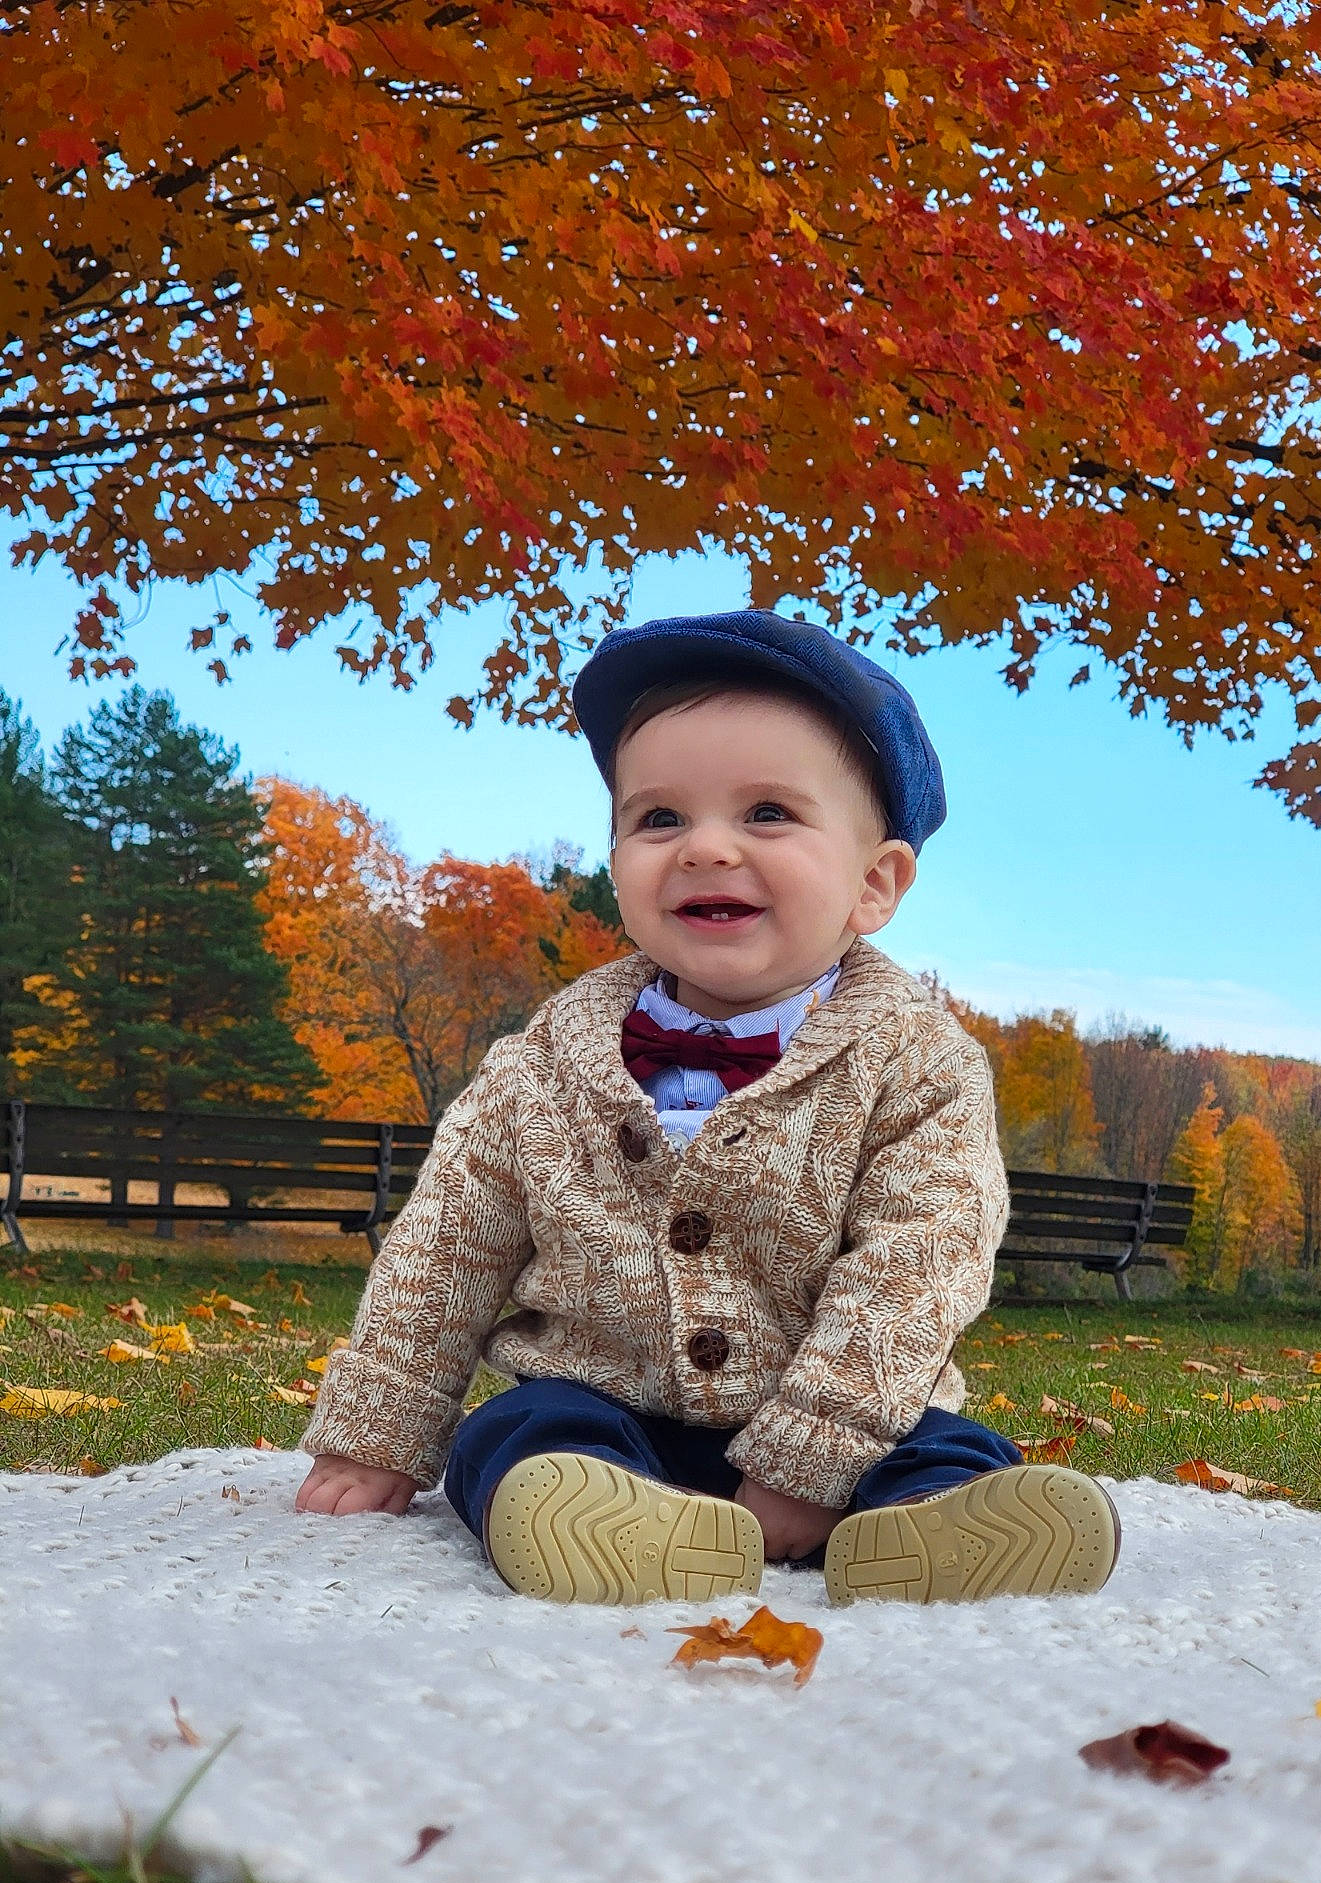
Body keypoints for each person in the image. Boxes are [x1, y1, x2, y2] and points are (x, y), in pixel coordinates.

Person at [295, 609, 1120, 1607]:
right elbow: (444, 1246)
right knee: (514, 1433)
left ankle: (933, 1526)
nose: (705, 848)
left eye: (767, 813)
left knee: (944, 1445)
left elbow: (919, 1266)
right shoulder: (543, 1064)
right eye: (659, 819)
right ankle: (605, 1524)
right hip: (608, 1410)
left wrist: (811, 1457)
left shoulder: (918, 1064)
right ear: (616, 860)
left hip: (847, 1417)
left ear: (874, 883)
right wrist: (378, 1430)